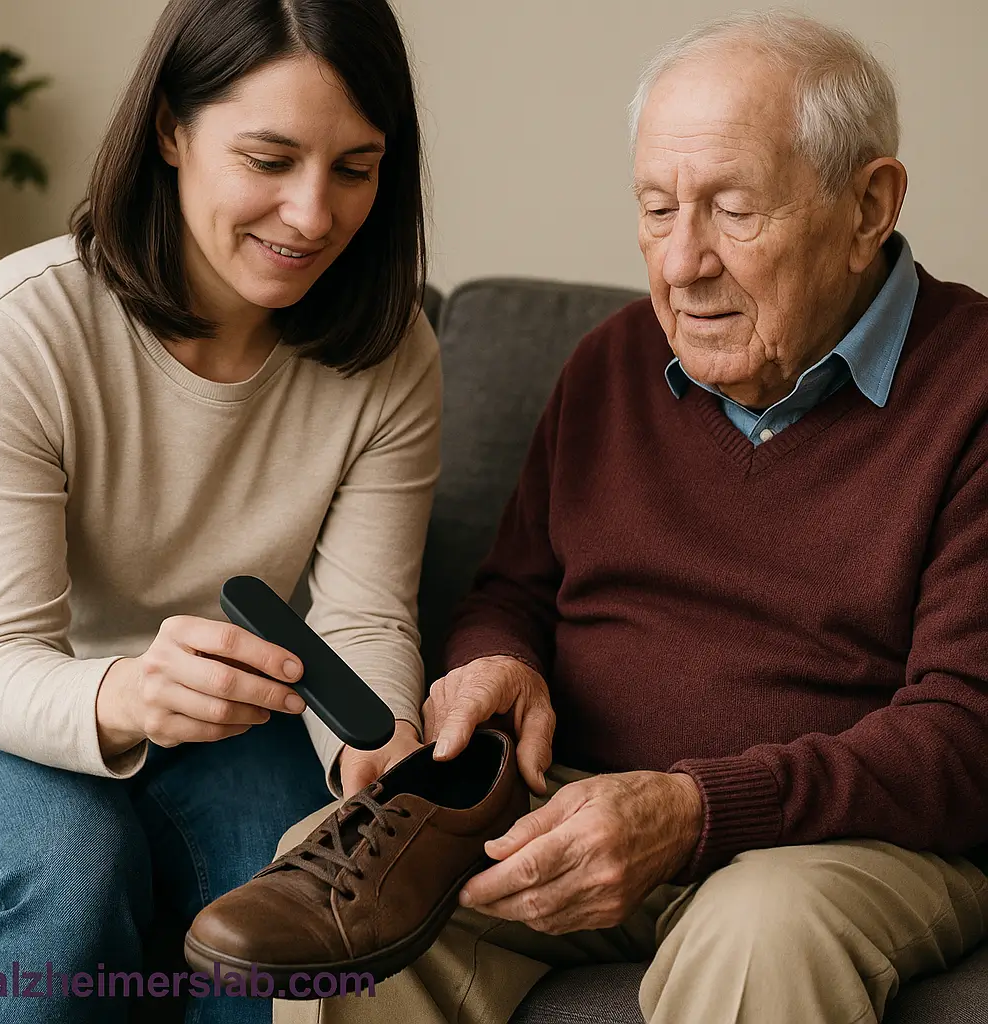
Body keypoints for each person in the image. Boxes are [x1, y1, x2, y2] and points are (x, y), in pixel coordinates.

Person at [273, 11, 988, 1024]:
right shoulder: (610, 363)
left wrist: (694, 810)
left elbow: (965, 733)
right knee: (337, 887)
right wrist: (494, 661)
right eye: (657, 209)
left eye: (733, 211)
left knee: (759, 932)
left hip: (843, 841)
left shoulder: (971, 389)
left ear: (868, 203)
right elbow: (512, 591)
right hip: (576, 795)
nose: (682, 263)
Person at [0, 0, 439, 1021]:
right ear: (172, 130)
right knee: (73, 869)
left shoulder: (392, 354)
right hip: (1, 697)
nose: (312, 216)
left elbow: (362, 620)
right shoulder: (20, 328)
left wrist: (378, 741)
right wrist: (131, 695)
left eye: (354, 169)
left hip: (240, 719)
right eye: (269, 160)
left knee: (277, 906)